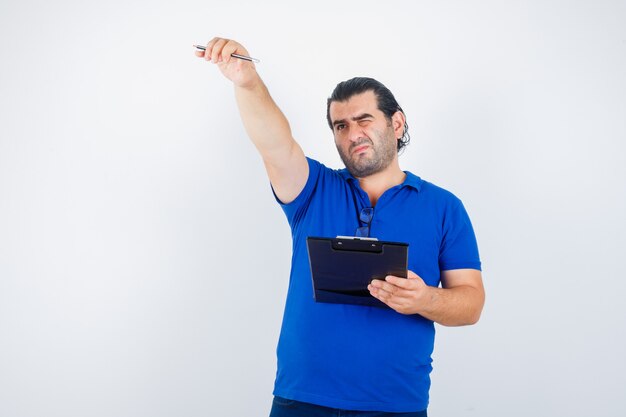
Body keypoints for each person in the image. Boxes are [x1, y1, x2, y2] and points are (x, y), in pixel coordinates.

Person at [196, 37, 485, 417]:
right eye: (340, 126)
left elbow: (471, 303)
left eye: (364, 120)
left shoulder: (444, 207)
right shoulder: (312, 189)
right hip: (301, 400)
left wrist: (426, 299)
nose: (352, 135)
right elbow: (275, 145)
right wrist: (247, 81)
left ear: (396, 123)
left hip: (394, 405)